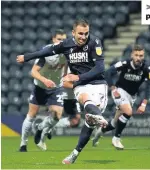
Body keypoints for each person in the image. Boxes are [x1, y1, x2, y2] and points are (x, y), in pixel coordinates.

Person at [17, 19, 108, 164]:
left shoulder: (94, 42)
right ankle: (100, 118)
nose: (83, 37)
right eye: (80, 34)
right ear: (73, 33)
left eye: (86, 33)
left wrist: (76, 76)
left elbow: (100, 68)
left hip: (97, 84)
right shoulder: (66, 45)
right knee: (84, 99)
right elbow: (46, 51)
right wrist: (26, 57)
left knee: (87, 122)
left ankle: (75, 152)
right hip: (77, 84)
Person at [91, 45, 150, 150]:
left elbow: (149, 86)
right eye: (136, 55)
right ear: (132, 55)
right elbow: (107, 73)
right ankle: (116, 138)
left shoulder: (147, 69)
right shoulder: (124, 64)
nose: (138, 58)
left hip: (131, 96)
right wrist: (113, 89)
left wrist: (144, 104)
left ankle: (98, 133)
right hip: (119, 92)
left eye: (141, 55)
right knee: (128, 112)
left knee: (114, 123)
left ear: (144, 56)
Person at [18, 29, 67, 152]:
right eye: (59, 39)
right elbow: (33, 72)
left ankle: (41, 129)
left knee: (57, 115)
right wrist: (45, 80)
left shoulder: (68, 52)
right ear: (53, 40)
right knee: (31, 115)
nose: (62, 42)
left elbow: (67, 67)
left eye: (64, 40)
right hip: (40, 86)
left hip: (56, 87)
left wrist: (65, 78)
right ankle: (23, 144)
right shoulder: (46, 52)